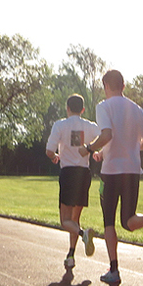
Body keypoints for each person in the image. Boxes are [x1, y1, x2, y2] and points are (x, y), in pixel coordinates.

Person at [78, 70, 143, 284]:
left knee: (109, 222)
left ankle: (114, 270)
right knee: (128, 220)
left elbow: (107, 134)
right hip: (132, 171)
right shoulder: (136, 109)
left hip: (110, 172)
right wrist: (128, 147)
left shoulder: (103, 106)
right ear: (124, 86)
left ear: (106, 87)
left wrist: (89, 149)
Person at [46, 94, 101, 269]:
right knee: (75, 218)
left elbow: (49, 150)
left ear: (67, 108)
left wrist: (55, 156)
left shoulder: (60, 125)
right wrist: (94, 150)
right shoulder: (90, 126)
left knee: (65, 221)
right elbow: (106, 137)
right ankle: (71, 255)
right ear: (83, 110)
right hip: (84, 174)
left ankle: (83, 233)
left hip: (68, 173)